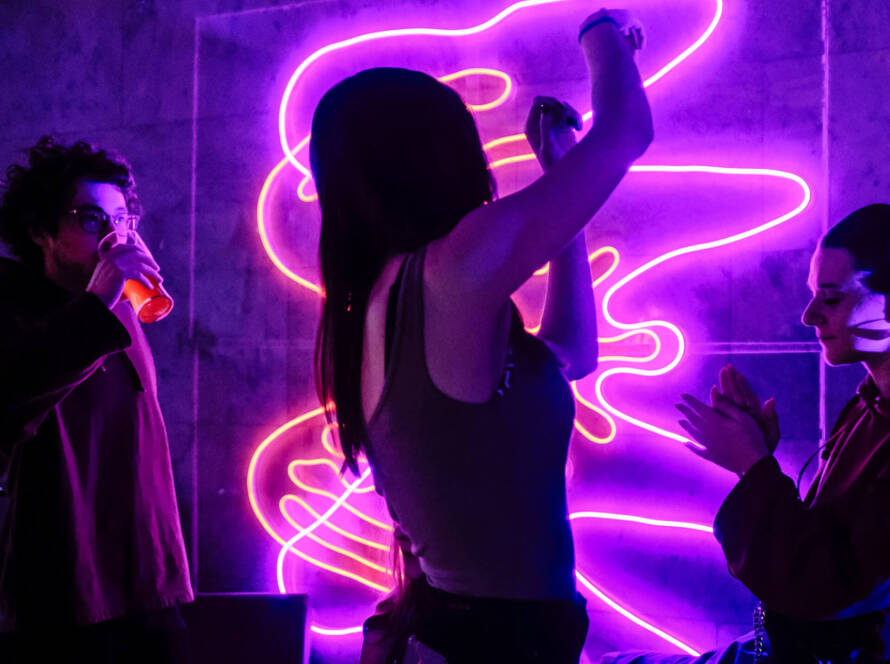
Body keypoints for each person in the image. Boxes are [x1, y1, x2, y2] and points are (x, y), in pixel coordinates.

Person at [308, 7, 652, 663]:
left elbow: (572, 354)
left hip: (476, 633)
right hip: (488, 641)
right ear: (439, 156)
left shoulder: (394, 293)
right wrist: (604, 28)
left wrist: (558, 179)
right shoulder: (448, 269)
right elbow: (626, 131)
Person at [602, 204, 890, 664]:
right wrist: (757, 458)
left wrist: (754, 466)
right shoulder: (867, 406)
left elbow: (825, 584)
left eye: (832, 299)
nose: (809, 316)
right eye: (813, 295)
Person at [0, 137, 193, 663]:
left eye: (121, 220)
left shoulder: (119, 308)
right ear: (41, 230)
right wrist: (97, 300)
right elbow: (14, 394)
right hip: (61, 594)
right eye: (91, 219)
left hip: (147, 584)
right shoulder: (15, 310)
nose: (112, 237)